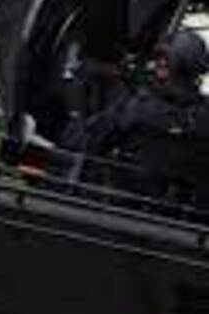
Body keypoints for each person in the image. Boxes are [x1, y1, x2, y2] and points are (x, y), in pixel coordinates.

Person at [65, 30, 209, 205]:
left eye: (164, 59)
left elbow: (90, 140)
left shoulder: (140, 105)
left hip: (125, 212)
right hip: (183, 223)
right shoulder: (202, 115)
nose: (158, 63)